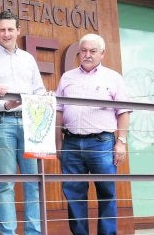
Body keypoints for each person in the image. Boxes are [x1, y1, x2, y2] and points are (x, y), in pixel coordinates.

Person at [55, 33, 131, 235]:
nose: (87, 55)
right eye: (84, 50)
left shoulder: (113, 78)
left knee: (107, 192)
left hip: (101, 143)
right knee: (73, 194)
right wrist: (57, 142)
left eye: (93, 51)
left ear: (102, 54)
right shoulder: (67, 77)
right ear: (79, 52)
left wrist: (121, 142)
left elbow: (124, 112)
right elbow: (59, 109)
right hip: (70, 142)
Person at [0, 10, 45, 235]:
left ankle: (33, 233)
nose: (6, 34)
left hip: (30, 123)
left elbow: (39, 90)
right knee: (5, 183)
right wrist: (5, 105)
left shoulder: (28, 59)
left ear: (18, 30)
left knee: (33, 182)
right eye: (2, 30)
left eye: (10, 29)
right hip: (1, 122)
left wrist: (45, 98)